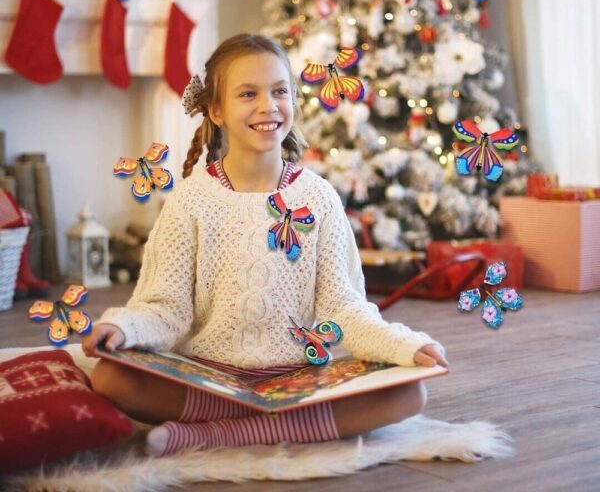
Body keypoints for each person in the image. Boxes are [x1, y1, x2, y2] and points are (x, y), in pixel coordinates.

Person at [83, 33, 448, 457]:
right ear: (216, 110)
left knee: (409, 395)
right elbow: (166, 308)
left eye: (279, 91)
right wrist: (124, 327)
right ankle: (276, 427)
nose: (267, 106)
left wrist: (404, 345)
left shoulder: (319, 198)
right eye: (247, 94)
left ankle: (218, 435)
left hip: (300, 380)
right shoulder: (191, 200)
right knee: (109, 377)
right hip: (207, 380)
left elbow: (343, 309)